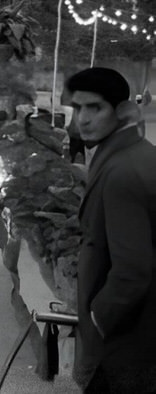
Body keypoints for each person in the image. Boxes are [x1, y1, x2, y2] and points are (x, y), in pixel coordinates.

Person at [66, 66, 156, 393]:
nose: (83, 119)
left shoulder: (123, 171)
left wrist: (97, 319)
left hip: (130, 338)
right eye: (78, 108)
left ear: (123, 111)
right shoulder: (131, 154)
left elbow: (132, 271)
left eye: (95, 108)